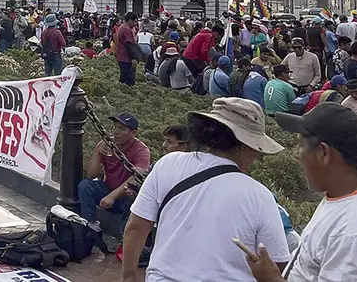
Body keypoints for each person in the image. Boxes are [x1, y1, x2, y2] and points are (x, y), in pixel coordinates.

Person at [121, 98, 290, 282]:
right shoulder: (260, 196)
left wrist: (129, 276)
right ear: (245, 145)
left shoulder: (168, 164)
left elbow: (136, 227)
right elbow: (277, 264)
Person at [248, 104, 357, 281]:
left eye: (300, 146)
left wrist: (271, 279)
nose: (297, 155)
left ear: (324, 153)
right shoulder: (349, 193)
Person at [78, 113, 151, 232]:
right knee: (85, 186)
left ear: (133, 133)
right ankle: (91, 227)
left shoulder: (141, 151)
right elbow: (91, 175)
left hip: (125, 195)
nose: (116, 132)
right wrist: (97, 153)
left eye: (122, 129)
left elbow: (136, 177)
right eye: (115, 127)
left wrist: (112, 196)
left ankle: (124, 239)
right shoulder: (107, 144)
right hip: (107, 188)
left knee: (132, 199)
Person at [114, 12, 141, 86]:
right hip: (126, 57)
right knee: (128, 79)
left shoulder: (122, 27)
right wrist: (133, 58)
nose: (136, 24)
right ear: (129, 20)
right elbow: (129, 45)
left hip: (121, 56)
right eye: (135, 21)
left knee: (123, 77)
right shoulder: (127, 30)